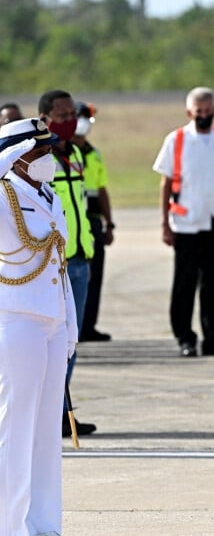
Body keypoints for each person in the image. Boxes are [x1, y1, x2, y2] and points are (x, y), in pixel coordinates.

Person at [0, 118, 77, 535]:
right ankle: (8, 527)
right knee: (15, 427)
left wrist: (71, 320)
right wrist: (6, 156)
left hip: (52, 321)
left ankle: (44, 526)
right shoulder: (4, 192)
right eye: (40, 150)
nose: (48, 157)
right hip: (17, 320)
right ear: (19, 156)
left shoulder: (49, 194)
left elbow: (58, 263)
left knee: (47, 433)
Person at [153, 87, 214, 358]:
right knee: (185, 284)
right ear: (189, 112)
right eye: (198, 112)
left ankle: (213, 338)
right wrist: (164, 224)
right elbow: (166, 182)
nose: (203, 116)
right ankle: (185, 338)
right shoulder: (177, 140)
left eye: (208, 111)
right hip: (187, 222)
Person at [38, 89, 97, 437]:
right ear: (45, 119)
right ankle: (51, 412)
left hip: (79, 258)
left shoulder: (75, 153)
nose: (68, 120)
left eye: (71, 114)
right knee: (52, 341)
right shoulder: (39, 158)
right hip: (52, 263)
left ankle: (60, 412)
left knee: (70, 342)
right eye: (61, 115)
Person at [72, 101, 115, 342]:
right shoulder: (62, 152)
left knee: (94, 274)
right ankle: (75, 325)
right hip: (75, 218)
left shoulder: (93, 154)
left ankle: (88, 324)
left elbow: (102, 190)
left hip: (93, 219)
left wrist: (110, 223)